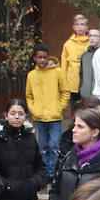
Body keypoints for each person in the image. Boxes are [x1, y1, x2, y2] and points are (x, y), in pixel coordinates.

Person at [26, 45, 69, 182]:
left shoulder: (57, 72)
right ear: (35, 58)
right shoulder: (32, 75)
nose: (42, 60)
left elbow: (65, 92)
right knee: (43, 145)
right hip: (39, 116)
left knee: (54, 145)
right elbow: (29, 95)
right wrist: (34, 109)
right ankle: (44, 172)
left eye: (45, 57)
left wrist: (60, 107)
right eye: (40, 57)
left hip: (55, 116)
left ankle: (52, 172)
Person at [61, 14, 92, 104]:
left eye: (82, 24)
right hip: (73, 83)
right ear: (73, 27)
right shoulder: (68, 44)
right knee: (75, 110)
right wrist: (64, 83)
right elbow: (64, 65)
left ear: (87, 26)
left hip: (88, 82)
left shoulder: (91, 42)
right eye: (77, 25)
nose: (80, 27)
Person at [78, 27, 100, 101]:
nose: (92, 38)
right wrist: (82, 90)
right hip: (86, 96)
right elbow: (81, 75)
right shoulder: (85, 56)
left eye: (95, 36)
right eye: (90, 36)